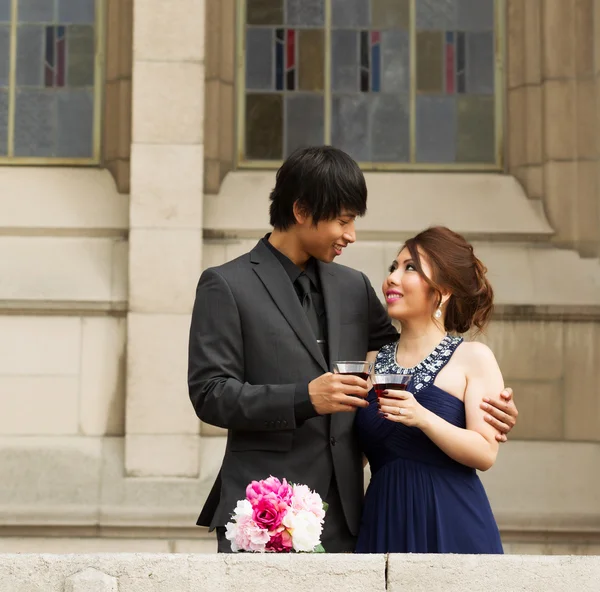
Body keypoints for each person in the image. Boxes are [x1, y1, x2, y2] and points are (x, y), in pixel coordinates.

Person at [188, 146, 518, 553]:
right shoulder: (226, 285)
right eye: (343, 221)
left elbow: (412, 356)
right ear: (302, 210)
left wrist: (486, 405)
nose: (351, 235)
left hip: (351, 518)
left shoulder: (353, 287)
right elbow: (210, 394)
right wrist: (304, 397)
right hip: (264, 513)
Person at [355, 226, 506, 554]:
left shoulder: (473, 358)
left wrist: (423, 417)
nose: (393, 278)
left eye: (410, 268)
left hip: (452, 523)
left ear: (444, 290)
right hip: (382, 521)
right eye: (393, 267)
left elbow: (485, 453)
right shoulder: (370, 362)